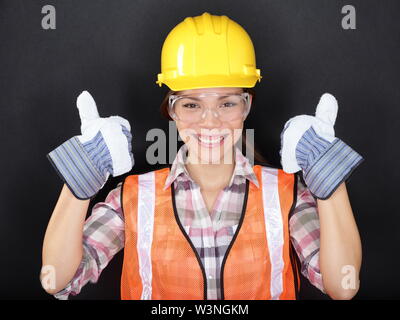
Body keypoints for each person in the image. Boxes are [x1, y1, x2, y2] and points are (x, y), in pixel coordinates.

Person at [40, 12, 364, 300]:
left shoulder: (287, 194)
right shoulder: (133, 197)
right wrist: (79, 180)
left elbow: (343, 286)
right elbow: (58, 279)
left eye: (227, 103)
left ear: (246, 106)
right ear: (172, 111)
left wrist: (329, 179)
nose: (210, 121)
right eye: (192, 104)